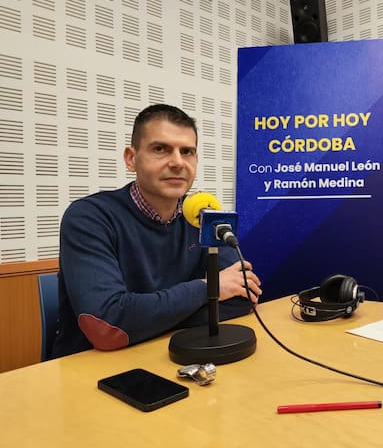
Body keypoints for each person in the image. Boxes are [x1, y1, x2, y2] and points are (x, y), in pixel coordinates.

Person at [52, 104, 262, 358]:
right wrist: (207, 289)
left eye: (187, 151)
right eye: (160, 149)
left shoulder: (203, 215)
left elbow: (243, 298)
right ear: (131, 158)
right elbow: (109, 325)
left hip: (177, 357)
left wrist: (146, 318)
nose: (177, 162)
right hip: (94, 368)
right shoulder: (90, 217)